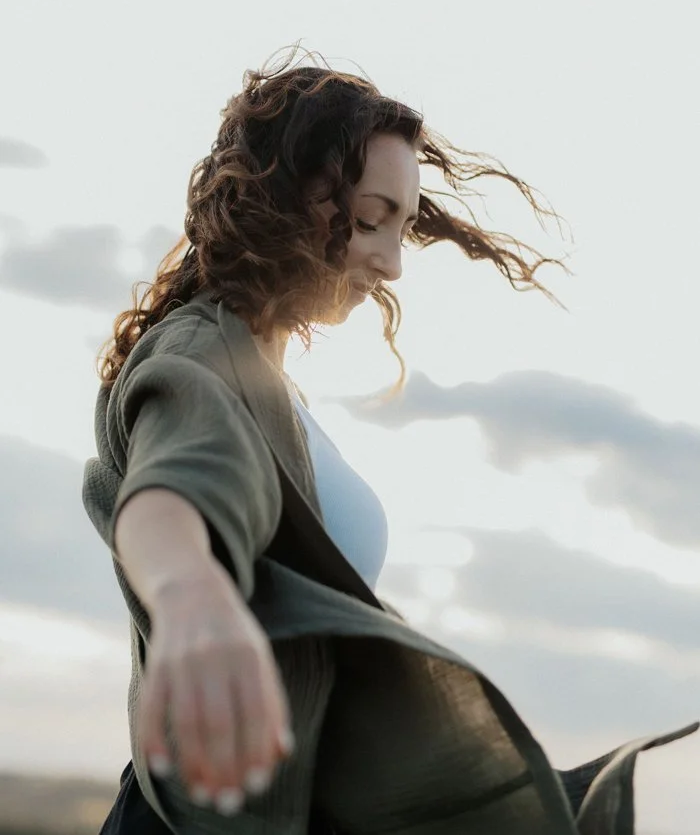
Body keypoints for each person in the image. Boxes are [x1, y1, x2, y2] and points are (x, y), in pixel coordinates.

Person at [83, 49, 696, 835]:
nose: (393, 262)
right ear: (288, 194)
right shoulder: (202, 358)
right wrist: (189, 591)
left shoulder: (266, 375)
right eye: (369, 219)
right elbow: (177, 482)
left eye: (403, 228)